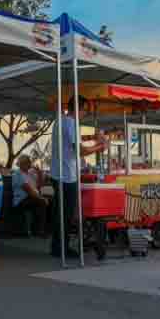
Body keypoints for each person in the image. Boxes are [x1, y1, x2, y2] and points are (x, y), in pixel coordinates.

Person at [50, 96, 106, 258]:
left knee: (59, 214)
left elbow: (72, 145)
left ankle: (57, 246)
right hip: (67, 175)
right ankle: (62, 248)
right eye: (85, 111)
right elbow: (80, 150)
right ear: (79, 108)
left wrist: (93, 141)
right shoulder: (70, 123)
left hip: (58, 172)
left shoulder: (60, 121)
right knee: (66, 215)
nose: (85, 114)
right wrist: (100, 146)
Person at [12, 155, 48, 236]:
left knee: (51, 200)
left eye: (29, 163)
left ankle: (47, 229)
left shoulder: (30, 173)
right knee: (41, 202)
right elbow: (29, 190)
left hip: (31, 197)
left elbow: (39, 186)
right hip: (21, 200)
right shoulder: (18, 174)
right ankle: (40, 231)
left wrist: (39, 174)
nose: (29, 164)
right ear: (21, 164)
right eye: (27, 163)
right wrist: (41, 198)